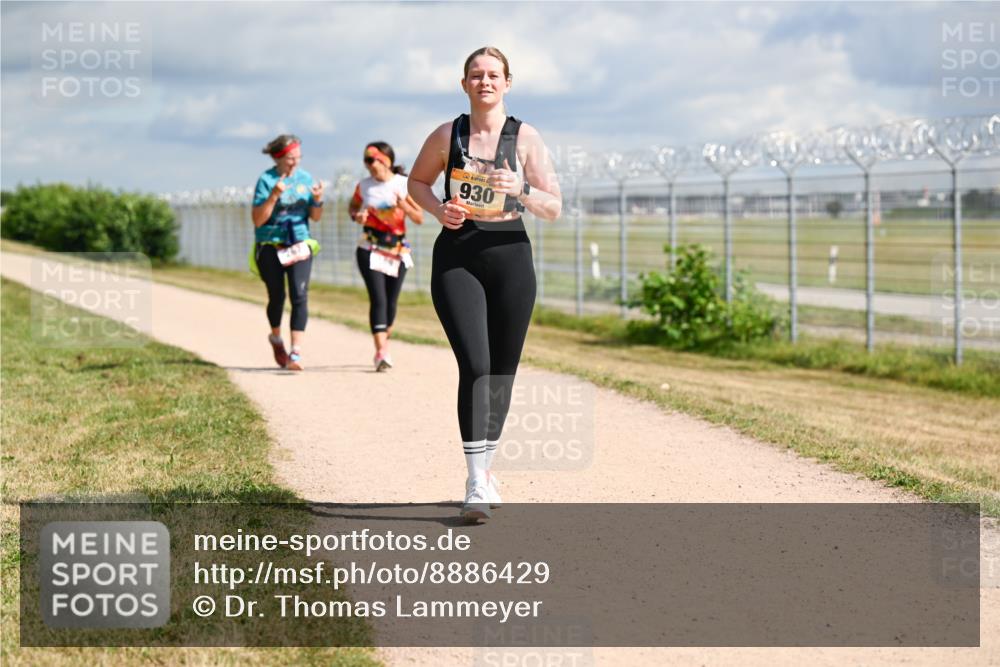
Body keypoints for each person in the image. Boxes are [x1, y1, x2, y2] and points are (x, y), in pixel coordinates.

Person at [408, 47, 561, 520]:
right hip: (458, 256)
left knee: (502, 373)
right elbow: (416, 183)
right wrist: (438, 210)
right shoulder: (446, 134)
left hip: (511, 257)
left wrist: (522, 190)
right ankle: (476, 482)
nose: (485, 82)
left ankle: (487, 469)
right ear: (464, 84)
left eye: (494, 75)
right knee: (475, 363)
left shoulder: (526, 138)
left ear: (507, 83)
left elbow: (554, 206)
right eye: (476, 75)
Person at [348, 142, 424, 371]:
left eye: (373, 160)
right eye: (366, 161)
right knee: (378, 298)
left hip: (397, 251)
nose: (370, 166)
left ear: (386, 160)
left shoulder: (403, 184)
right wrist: (357, 216)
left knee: (391, 301)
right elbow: (352, 208)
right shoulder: (364, 186)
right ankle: (381, 351)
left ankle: (384, 338)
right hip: (369, 248)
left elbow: (419, 217)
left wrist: (405, 206)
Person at [250, 134, 323, 371]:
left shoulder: (305, 178)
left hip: (299, 243)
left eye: (298, 157)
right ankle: (276, 338)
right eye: (290, 158)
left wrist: (318, 201)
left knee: (299, 295)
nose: (295, 162)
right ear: (278, 157)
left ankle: (296, 353)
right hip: (270, 245)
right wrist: (274, 195)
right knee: (277, 296)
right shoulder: (266, 180)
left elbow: (315, 217)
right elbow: (258, 220)